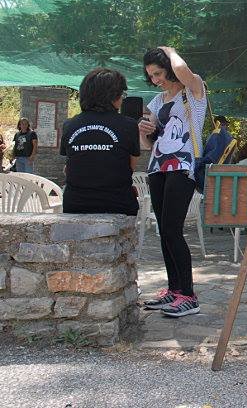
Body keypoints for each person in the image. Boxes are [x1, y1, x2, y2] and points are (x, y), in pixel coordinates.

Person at [138, 46, 205, 318]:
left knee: (173, 229)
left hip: (183, 166)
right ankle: (174, 289)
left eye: (158, 72)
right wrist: (145, 131)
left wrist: (169, 50)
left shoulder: (194, 89)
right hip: (158, 167)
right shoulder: (156, 101)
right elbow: (147, 144)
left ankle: (189, 295)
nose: (155, 79)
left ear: (168, 66)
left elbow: (182, 72)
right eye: (151, 76)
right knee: (164, 231)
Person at [60, 68, 140, 215]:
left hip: (76, 205)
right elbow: (130, 166)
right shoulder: (129, 125)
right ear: (113, 95)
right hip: (118, 206)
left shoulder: (69, 125)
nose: (122, 99)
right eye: (122, 94)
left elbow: (68, 168)